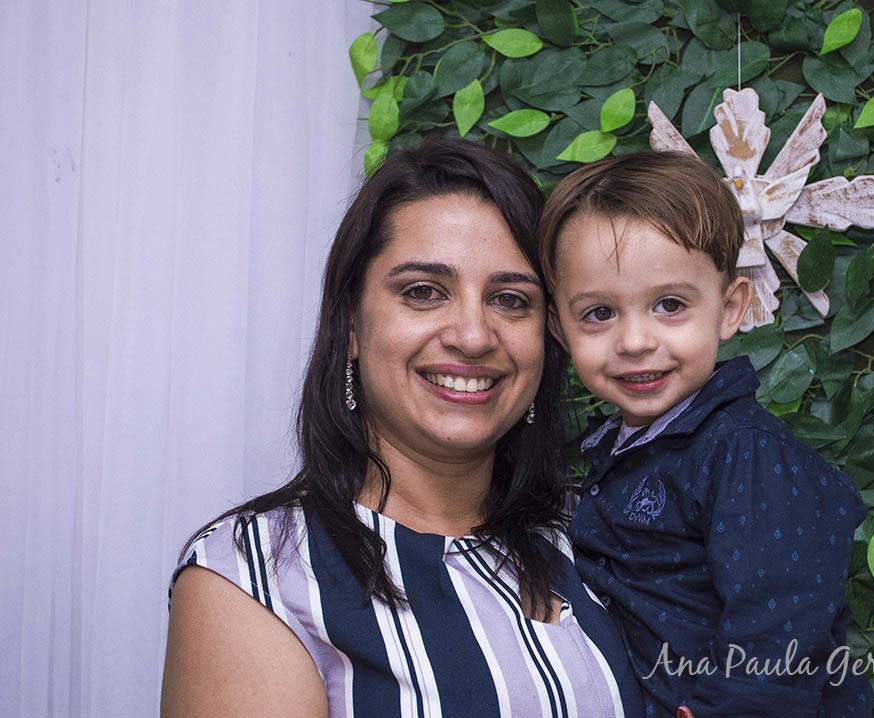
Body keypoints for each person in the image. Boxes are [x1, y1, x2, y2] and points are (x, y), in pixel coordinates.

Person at [161, 138, 646, 718]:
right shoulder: (253, 574)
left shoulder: (595, 536)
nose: (473, 335)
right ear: (351, 326)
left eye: (511, 300)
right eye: (423, 292)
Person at [537, 151, 871, 717]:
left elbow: (783, 612)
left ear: (729, 308)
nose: (635, 341)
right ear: (560, 329)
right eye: (598, 314)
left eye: (670, 305)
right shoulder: (619, 449)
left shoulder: (743, 451)